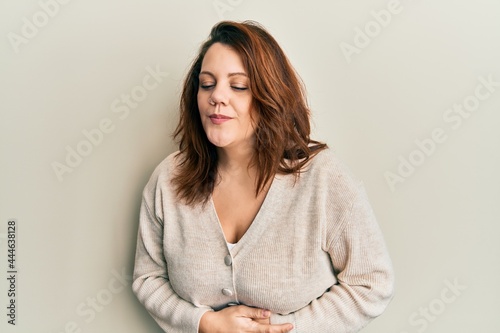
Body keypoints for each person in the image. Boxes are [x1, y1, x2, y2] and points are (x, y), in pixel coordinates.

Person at [132, 20, 394, 333]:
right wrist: (203, 323)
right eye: (206, 84)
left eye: (238, 86)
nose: (217, 96)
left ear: (269, 94)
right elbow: (147, 279)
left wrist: (288, 329)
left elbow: (372, 283)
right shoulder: (167, 180)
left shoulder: (323, 179)